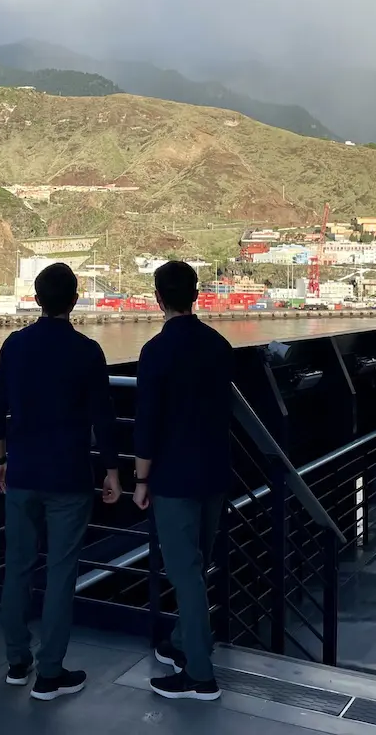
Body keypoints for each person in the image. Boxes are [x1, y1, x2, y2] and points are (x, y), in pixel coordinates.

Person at [0, 262, 121, 701]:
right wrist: (112, 472)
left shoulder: (14, 345)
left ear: (37, 299)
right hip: (69, 477)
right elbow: (104, 418)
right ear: (75, 299)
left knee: (17, 568)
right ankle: (50, 673)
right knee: (61, 574)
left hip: (22, 472)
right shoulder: (87, 351)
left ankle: (15, 661)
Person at [132, 260, 233, 701]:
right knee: (197, 567)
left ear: (159, 298)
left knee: (184, 574)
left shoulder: (155, 352)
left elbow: (147, 421)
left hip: (173, 479)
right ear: (196, 295)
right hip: (214, 473)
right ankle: (181, 642)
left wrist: (140, 478)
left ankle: (200, 674)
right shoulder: (219, 346)